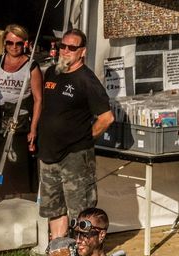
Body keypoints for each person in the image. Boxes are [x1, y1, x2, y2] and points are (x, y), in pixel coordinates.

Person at [37, 29, 114, 239]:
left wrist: (85, 139)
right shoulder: (53, 72)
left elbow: (106, 118)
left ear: (82, 52)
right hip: (49, 153)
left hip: (75, 157)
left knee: (80, 211)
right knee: (54, 208)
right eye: (63, 46)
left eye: (72, 47)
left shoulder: (87, 80)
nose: (66, 51)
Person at [0, 24, 42, 199]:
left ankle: (16, 203)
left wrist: (34, 129)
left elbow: (38, 100)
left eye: (18, 43)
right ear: (4, 43)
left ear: (25, 44)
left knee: (17, 167)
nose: (14, 47)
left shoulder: (32, 66)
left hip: (20, 122)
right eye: (9, 43)